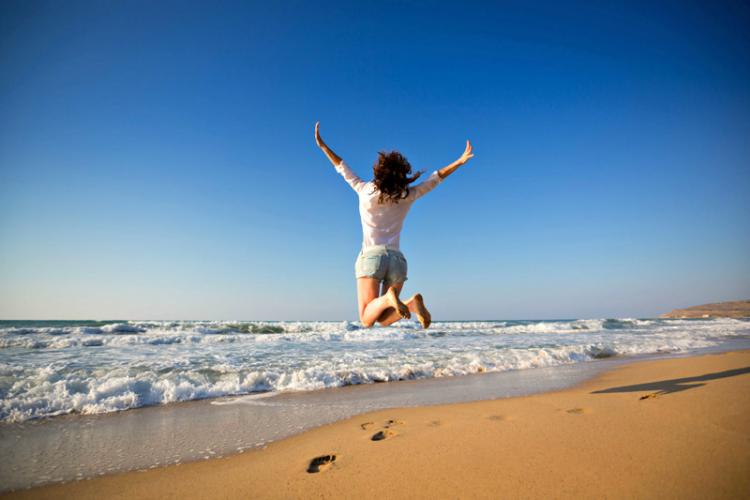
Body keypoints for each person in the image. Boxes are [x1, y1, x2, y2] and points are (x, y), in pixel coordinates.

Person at [314, 122, 474, 328]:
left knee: (366, 318)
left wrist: (323, 147)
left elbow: (341, 167)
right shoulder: (407, 195)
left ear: (379, 172)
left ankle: (390, 298)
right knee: (383, 319)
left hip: (372, 257)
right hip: (398, 260)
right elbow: (436, 178)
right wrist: (459, 161)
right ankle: (411, 304)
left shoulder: (364, 190)